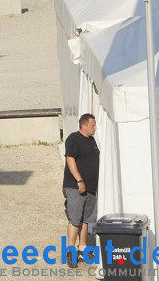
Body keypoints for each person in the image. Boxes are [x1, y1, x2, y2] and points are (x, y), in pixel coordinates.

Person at [63, 114, 99, 267]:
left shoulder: (91, 141)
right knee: (75, 219)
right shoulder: (74, 139)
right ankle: (70, 253)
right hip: (75, 186)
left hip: (90, 188)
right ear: (84, 126)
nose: (95, 127)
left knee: (86, 220)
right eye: (93, 125)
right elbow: (70, 160)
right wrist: (79, 180)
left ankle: (83, 249)